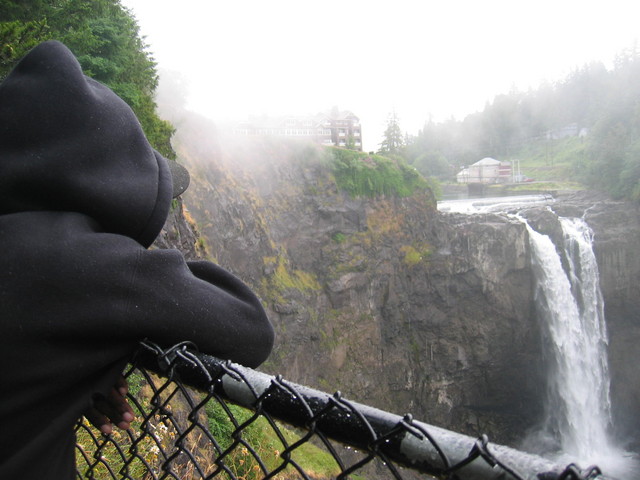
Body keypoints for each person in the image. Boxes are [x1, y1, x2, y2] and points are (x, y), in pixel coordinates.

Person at [0, 40, 274, 479]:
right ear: (110, 186)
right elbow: (251, 330)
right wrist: (133, 275)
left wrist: (74, 367)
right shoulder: (87, 267)